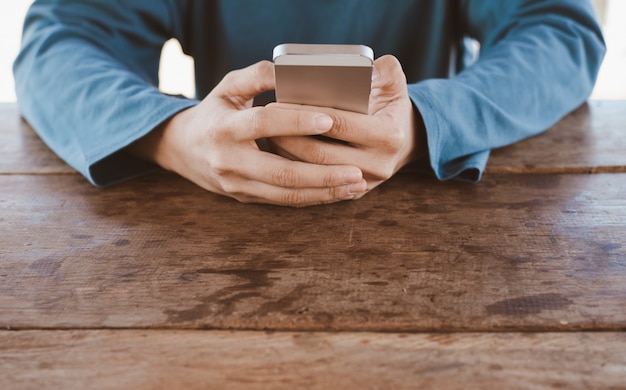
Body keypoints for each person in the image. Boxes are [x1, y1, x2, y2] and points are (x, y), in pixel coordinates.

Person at [14, 0, 605, 207]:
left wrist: (428, 121)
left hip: (423, 207)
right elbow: (61, 39)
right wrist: (173, 135)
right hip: (215, 217)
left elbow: (559, 28)